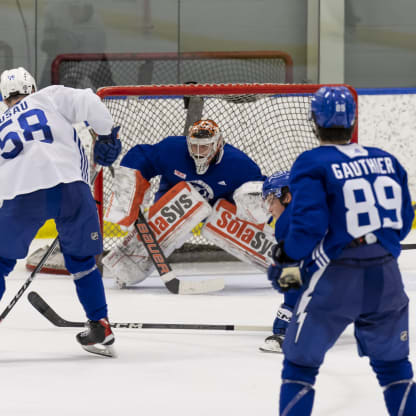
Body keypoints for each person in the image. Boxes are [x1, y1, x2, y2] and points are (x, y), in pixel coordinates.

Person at [268, 85, 416, 415]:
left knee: (299, 368)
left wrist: (287, 259)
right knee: (395, 369)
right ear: (353, 120)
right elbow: (404, 223)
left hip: (336, 277)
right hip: (387, 277)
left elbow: (308, 227)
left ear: (313, 122)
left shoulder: (312, 162)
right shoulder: (387, 159)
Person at [0, 67, 121, 357]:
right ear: (32, 88)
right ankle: (99, 326)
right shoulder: (48, 96)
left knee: (1, 262)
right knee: (81, 261)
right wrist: (106, 138)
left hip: (21, 192)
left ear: (4, 99)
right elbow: (92, 102)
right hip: (71, 187)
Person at [103, 118, 268, 288]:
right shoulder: (172, 150)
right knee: (184, 203)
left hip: (217, 207)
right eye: (194, 146)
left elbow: (261, 190)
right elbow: (142, 156)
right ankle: (125, 270)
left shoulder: (239, 164)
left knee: (236, 211)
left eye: (204, 146)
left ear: (218, 144)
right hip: (174, 199)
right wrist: (128, 191)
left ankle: (281, 263)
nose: (198, 152)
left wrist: (259, 211)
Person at [259, 171, 301, 354]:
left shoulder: (288, 221)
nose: (269, 209)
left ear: (287, 197)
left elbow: (293, 272)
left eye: (271, 201)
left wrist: (286, 314)